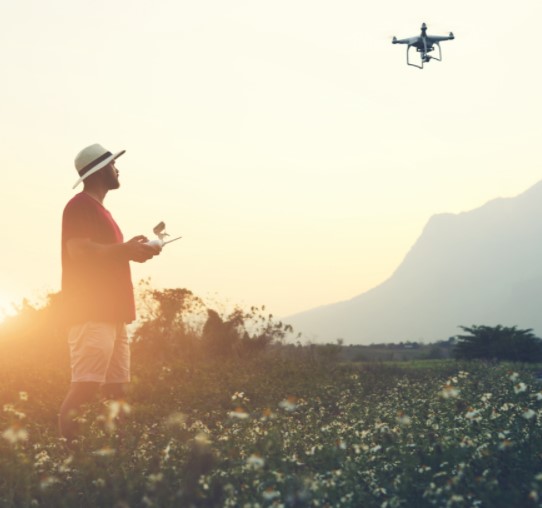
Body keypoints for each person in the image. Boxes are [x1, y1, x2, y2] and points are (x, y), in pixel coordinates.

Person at [58, 143, 161, 445]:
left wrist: (131, 250)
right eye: (114, 165)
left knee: (117, 391)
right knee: (85, 387)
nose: (118, 169)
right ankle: (68, 453)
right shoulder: (79, 206)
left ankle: (115, 456)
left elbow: (107, 254)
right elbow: (78, 251)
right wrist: (125, 250)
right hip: (92, 312)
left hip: (114, 313)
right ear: (101, 171)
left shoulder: (101, 211)